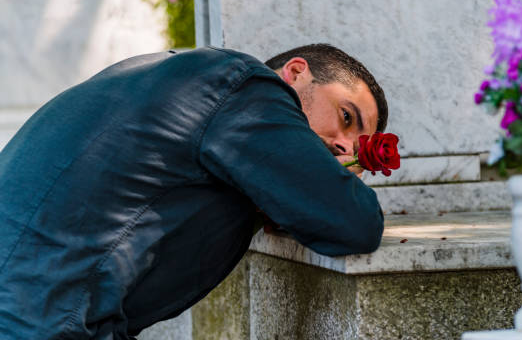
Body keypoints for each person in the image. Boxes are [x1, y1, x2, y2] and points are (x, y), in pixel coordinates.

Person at [0, 43, 388, 339]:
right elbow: (353, 223)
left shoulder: (182, 75)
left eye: (358, 145)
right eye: (346, 116)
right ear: (296, 73)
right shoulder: (245, 91)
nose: (346, 146)